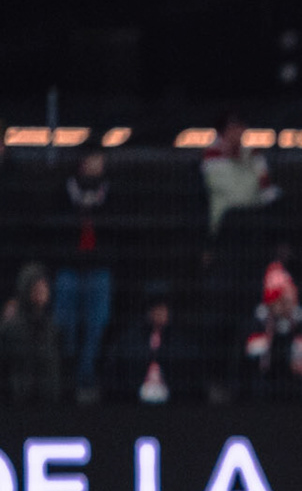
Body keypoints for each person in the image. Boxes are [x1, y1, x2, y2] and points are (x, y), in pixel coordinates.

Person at [52, 150, 115, 402]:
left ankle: (86, 377)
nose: (98, 165)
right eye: (93, 159)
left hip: (98, 269)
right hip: (69, 268)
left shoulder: (109, 192)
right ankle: (66, 376)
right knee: (65, 324)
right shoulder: (65, 190)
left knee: (96, 324)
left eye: (101, 160)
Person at [239, 261, 302, 402]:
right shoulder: (256, 323)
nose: (285, 305)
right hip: (263, 393)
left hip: (299, 393)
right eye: (280, 300)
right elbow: (250, 357)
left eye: (289, 299)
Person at [106, 286, 195, 404]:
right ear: (148, 312)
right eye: (156, 309)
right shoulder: (131, 339)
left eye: (163, 309)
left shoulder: (180, 340)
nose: (160, 313)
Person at [1, 263, 62, 405]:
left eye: (44, 286)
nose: (41, 290)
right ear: (26, 289)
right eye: (36, 286)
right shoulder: (10, 328)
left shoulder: (52, 328)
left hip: (47, 402)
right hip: (18, 402)